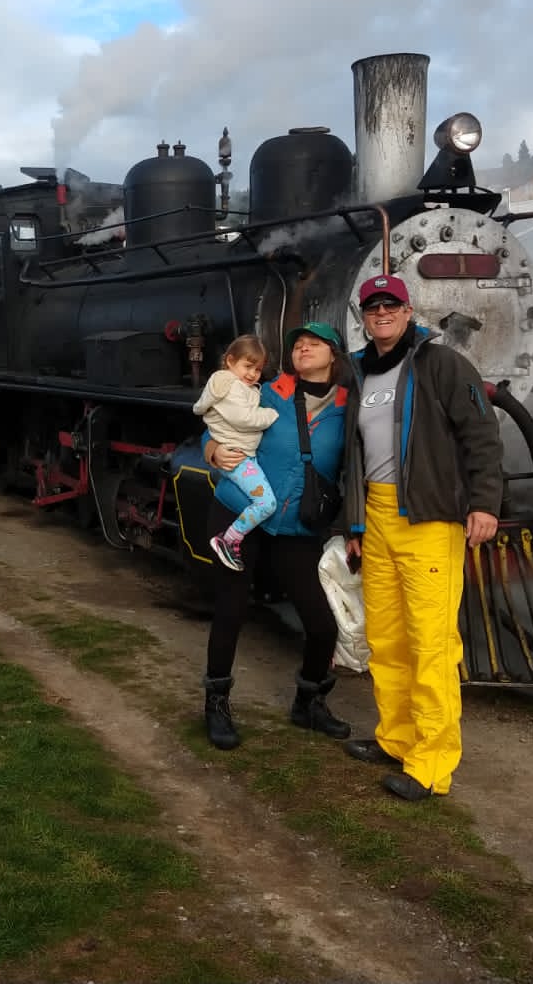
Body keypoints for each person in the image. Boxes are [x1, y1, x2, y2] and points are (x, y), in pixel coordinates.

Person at [342, 274, 503, 803]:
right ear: (364, 317)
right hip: (379, 516)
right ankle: (397, 738)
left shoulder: (442, 364)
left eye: (391, 305)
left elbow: (481, 433)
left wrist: (484, 503)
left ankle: (432, 766)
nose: (382, 313)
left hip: (430, 519)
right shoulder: (362, 370)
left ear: (409, 311)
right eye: (373, 307)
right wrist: (356, 523)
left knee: (430, 645)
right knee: (386, 640)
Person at [200, 321, 359, 752]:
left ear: (335, 355)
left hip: (298, 527)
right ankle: (216, 704)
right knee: (231, 611)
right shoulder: (266, 392)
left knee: (322, 625)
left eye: (314, 343)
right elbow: (212, 424)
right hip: (240, 515)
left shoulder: (349, 408)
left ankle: (308, 702)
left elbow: (360, 469)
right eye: (298, 344)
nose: (303, 348)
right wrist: (211, 451)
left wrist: (353, 526)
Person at [193, 334, 281, 572]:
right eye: (248, 366)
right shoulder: (230, 386)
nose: (253, 374)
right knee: (266, 503)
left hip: (242, 454)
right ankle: (229, 539)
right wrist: (271, 415)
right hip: (239, 457)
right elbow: (244, 419)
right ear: (230, 361)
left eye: (258, 369)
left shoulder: (244, 387)